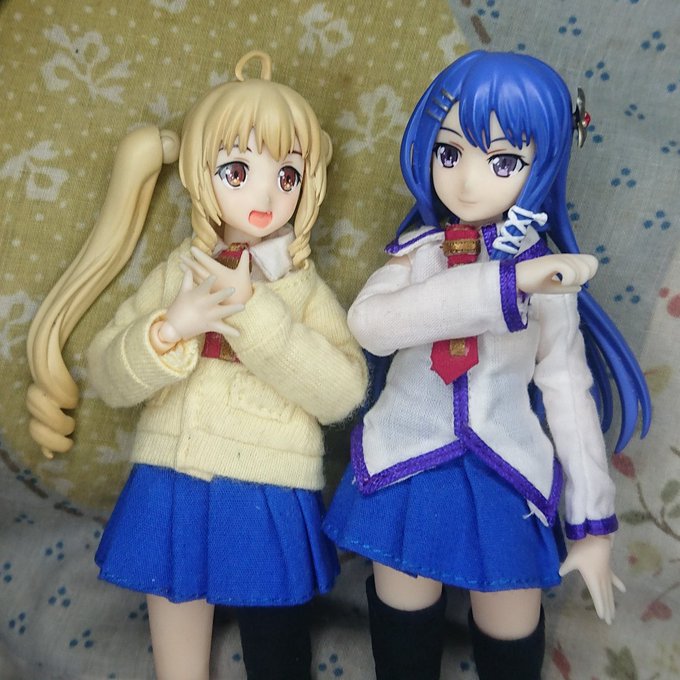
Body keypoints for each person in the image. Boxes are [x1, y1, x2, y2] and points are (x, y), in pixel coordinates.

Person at [26, 50, 367, 680]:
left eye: (286, 175)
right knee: (176, 613)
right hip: (173, 469)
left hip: (268, 479)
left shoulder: (300, 290)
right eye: (237, 171)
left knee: (275, 631)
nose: (264, 195)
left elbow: (343, 391)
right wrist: (168, 330)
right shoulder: (178, 273)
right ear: (198, 173)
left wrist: (257, 314)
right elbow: (107, 372)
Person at [323, 51, 651, 680]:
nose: (468, 182)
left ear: (544, 165)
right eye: (450, 153)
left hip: (505, 463)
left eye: (502, 162)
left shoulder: (546, 274)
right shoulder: (418, 255)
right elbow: (372, 325)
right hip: (407, 458)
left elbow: (568, 391)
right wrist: (506, 284)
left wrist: (592, 524)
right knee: (403, 609)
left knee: (511, 617)